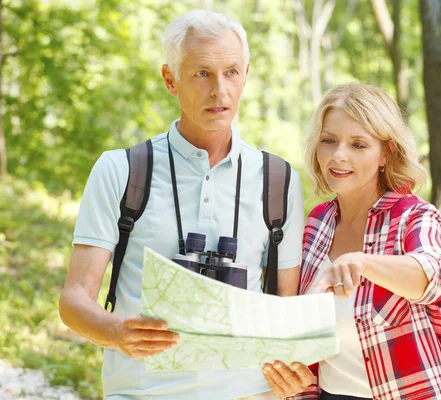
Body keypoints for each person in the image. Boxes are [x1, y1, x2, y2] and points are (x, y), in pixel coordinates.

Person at [58, 10, 306, 400]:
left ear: (246, 75)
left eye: (231, 72)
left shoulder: (278, 180)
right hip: (143, 392)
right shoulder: (120, 170)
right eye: (201, 73)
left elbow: (285, 308)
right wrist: (117, 333)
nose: (219, 90)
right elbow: (74, 300)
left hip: (251, 393)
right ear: (170, 79)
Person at [262, 83, 441, 400]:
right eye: (328, 141)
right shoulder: (316, 223)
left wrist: (360, 262)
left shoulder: (415, 217)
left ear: (386, 153)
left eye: (358, 144)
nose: (338, 156)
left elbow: (430, 277)